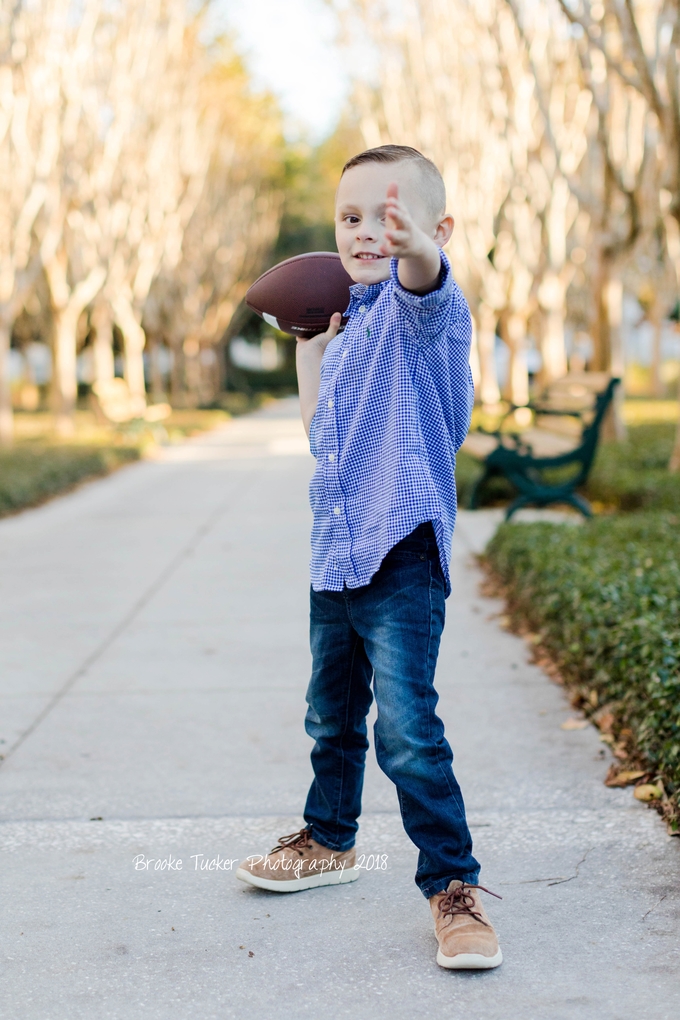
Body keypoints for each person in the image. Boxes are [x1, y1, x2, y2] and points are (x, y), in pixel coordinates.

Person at [236, 144, 502, 970]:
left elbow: (425, 276)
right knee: (332, 715)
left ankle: (453, 890)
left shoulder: (426, 313)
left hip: (402, 554)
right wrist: (310, 351)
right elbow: (324, 441)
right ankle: (328, 837)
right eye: (350, 218)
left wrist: (413, 244)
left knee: (410, 733)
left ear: (434, 228)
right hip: (338, 557)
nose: (364, 233)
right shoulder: (349, 329)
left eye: (384, 217)